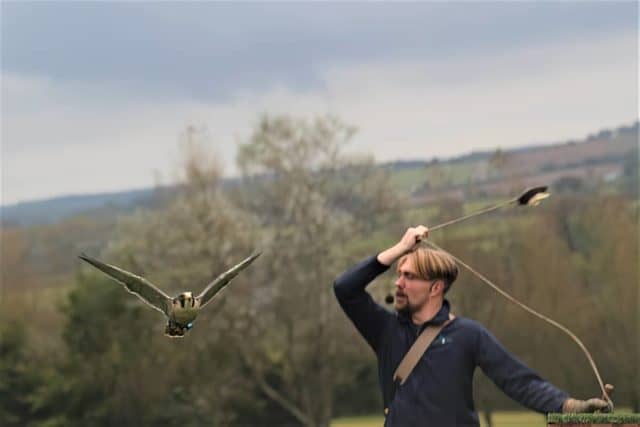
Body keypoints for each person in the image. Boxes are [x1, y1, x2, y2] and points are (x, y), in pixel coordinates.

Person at [333, 225, 611, 426]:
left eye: (409, 276)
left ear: (435, 288)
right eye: (399, 275)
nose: (399, 283)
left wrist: (570, 407)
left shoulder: (468, 335)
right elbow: (345, 288)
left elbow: (520, 382)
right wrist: (399, 250)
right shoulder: (385, 331)